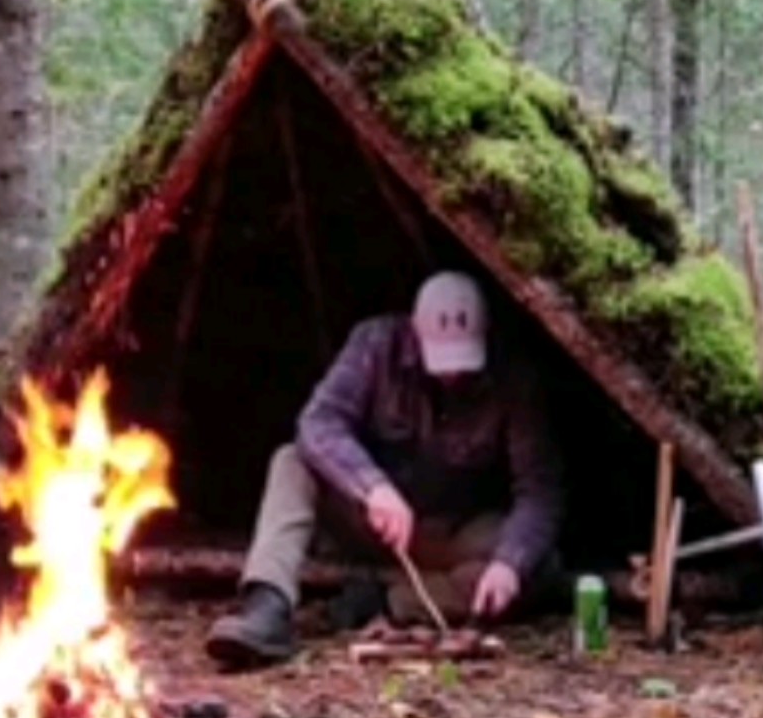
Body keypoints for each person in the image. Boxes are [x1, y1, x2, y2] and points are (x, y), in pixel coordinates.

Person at [205, 270, 565, 668]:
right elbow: (319, 423)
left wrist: (508, 566)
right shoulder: (375, 345)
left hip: (447, 533)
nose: (452, 374)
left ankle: (391, 599)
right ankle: (267, 605)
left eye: (464, 363)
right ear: (414, 331)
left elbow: (539, 490)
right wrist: (372, 487)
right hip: (365, 520)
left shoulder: (512, 377)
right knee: (291, 461)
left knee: (538, 565)